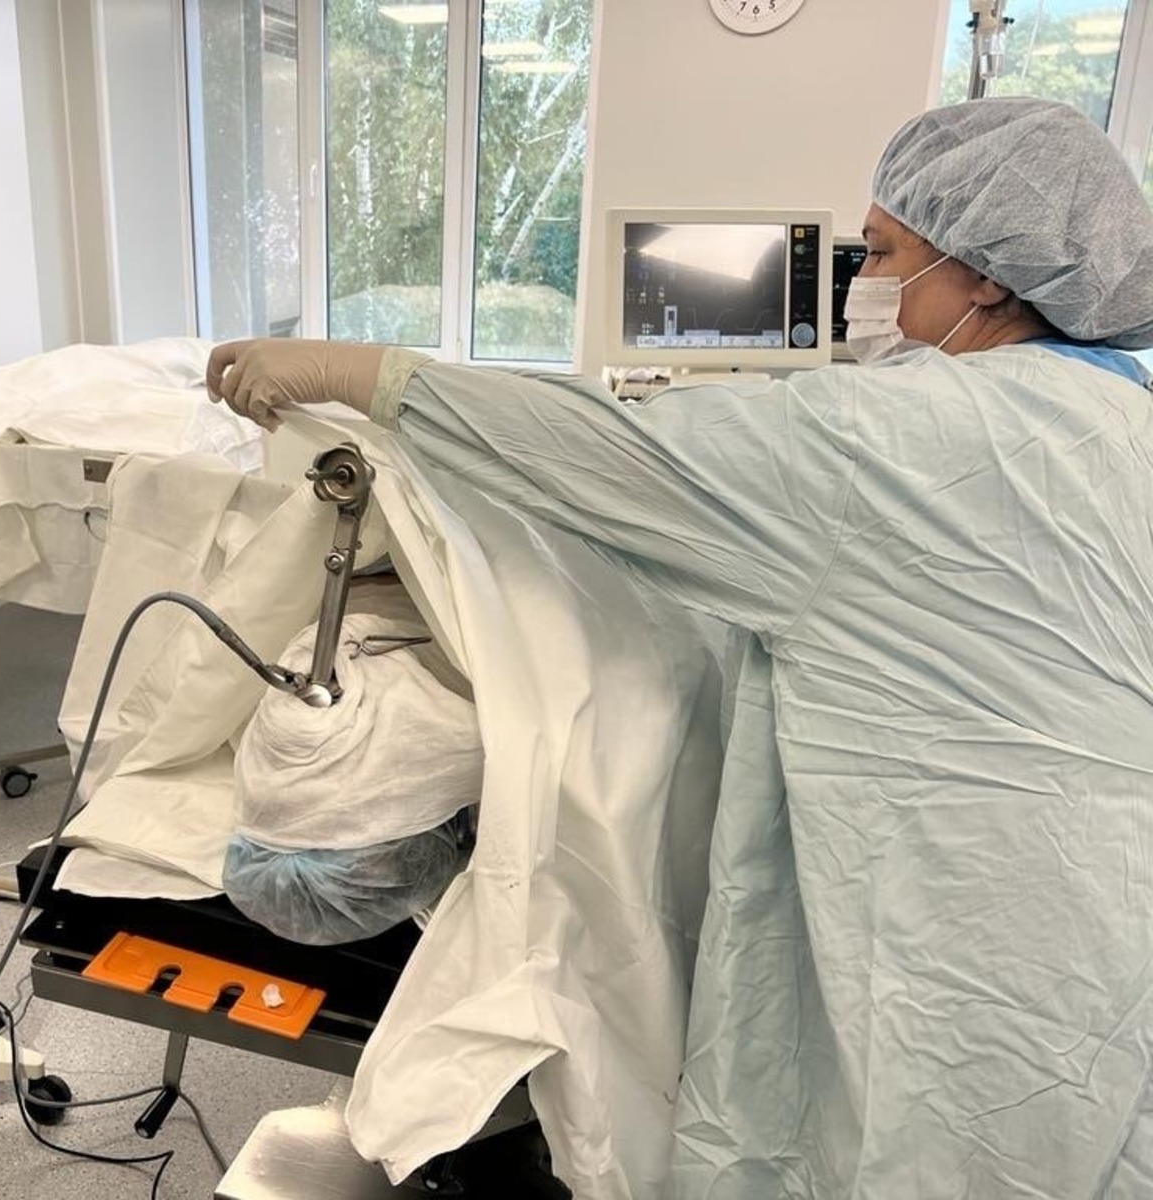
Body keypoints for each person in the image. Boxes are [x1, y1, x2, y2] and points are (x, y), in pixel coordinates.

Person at [207, 97, 1153, 1198]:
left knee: (929, 1146)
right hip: (1110, 904)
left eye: (886, 253)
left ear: (986, 277)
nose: (866, 282)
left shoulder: (898, 436)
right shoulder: (1122, 419)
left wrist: (375, 378)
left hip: (959, 923)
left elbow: (615, 460)